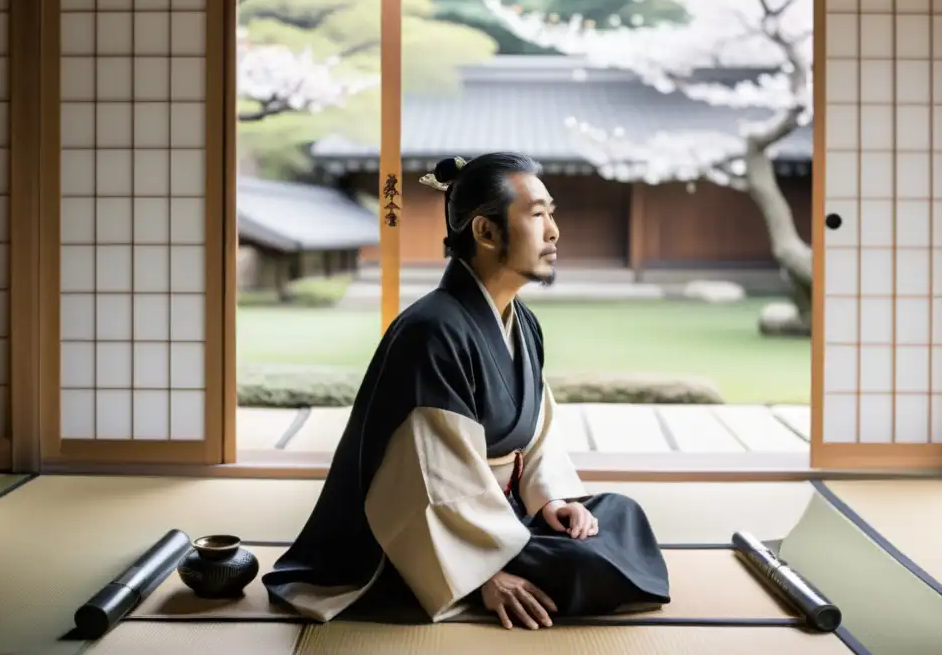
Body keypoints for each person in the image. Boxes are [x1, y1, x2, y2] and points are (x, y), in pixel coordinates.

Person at [262, 152, 670, 629]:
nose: (555, 231)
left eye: (551, 213)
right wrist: (487, 573)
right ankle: (477, 571)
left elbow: (535, 429)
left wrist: (553, 500)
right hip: (421, 536)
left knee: (619, 514)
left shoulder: (524, 323)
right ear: (486, 231)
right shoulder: (432, 331)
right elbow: (424, 478)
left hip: (498, 514)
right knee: (590, 565)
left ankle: (517, 547)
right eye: (538, 215)